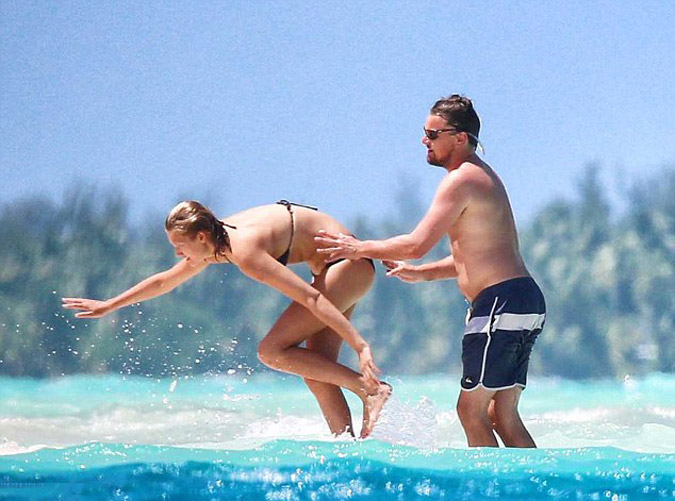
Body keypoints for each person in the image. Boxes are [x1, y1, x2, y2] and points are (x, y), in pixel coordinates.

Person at [315, 95, 546, 448]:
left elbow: (415, 243)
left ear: (460, 138)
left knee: (470, 411)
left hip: (500, 303)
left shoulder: (462, 179)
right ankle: (533, 480)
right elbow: (476, 257)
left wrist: (357, 248)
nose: (425, 140)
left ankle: (490, 481)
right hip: (520, 299)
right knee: (501, 413)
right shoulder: (481, 176)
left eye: (433, 134)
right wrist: (422, 274)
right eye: (424, 132)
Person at [62, 200, 391, 438]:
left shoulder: (244, 251)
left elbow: (311, 298)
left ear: (201, 237)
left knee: (272, 351)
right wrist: (110, 305)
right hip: (337, 270)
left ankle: (370, 389)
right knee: (316, 372)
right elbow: (165, 281)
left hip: (347, 268)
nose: (177, 254)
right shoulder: (214, 241)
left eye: (179, 245)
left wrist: (360, 346)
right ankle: (348, 451)